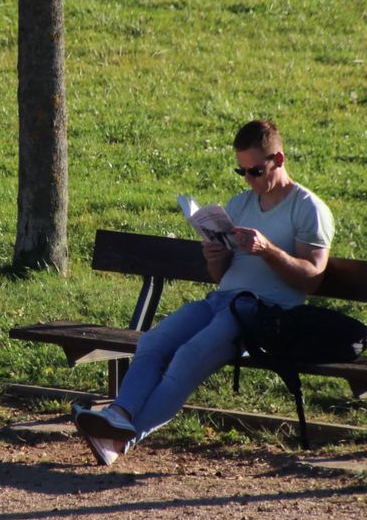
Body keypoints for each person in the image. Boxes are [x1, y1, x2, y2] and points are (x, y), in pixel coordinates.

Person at [73, 119, 333, 465]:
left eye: (255, 170)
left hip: (262, 315)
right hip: (221, 301)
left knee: (188, 356)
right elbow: (220, 275)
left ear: (279, 160)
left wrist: (268, 250)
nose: (249, 180)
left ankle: (120, 439)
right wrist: (215, 256)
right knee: (153, 343)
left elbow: (312, 278)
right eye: (241, 171)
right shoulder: (240, 204)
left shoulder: (308, 208)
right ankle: (119, 415)